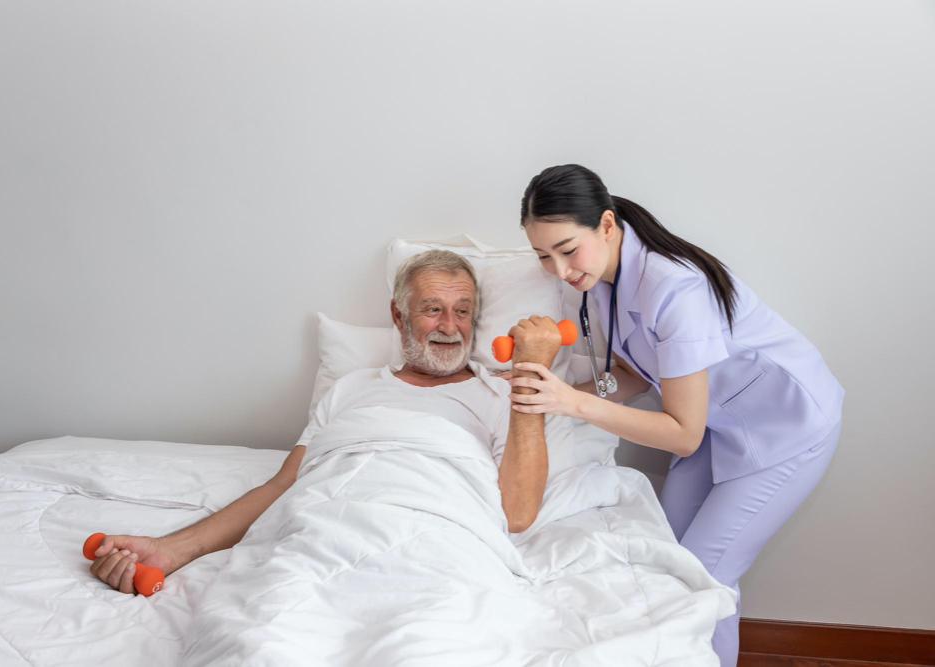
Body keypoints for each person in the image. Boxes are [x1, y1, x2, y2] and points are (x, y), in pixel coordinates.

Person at [506, 163, 844, 666]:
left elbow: (682, 435)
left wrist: (572, 402)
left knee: (703, 580)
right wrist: (553, 392)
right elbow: (635, 375)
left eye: (567, 250)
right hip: (719, 425)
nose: (559, 270)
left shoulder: (674, 287)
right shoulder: (603, 280)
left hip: (787, 428)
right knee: (664, 564)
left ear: (604, 224)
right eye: (543, 257)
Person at [90, 249, 561, 593]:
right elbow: (281, 489)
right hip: (322, 534)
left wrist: (528, 375)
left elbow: (518, 512)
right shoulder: (351, 389)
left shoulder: (504, 394)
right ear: (399, 317)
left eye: (463, 312)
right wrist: (172, 549)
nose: (449, 325)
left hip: (435, 544)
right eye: (432, 309)